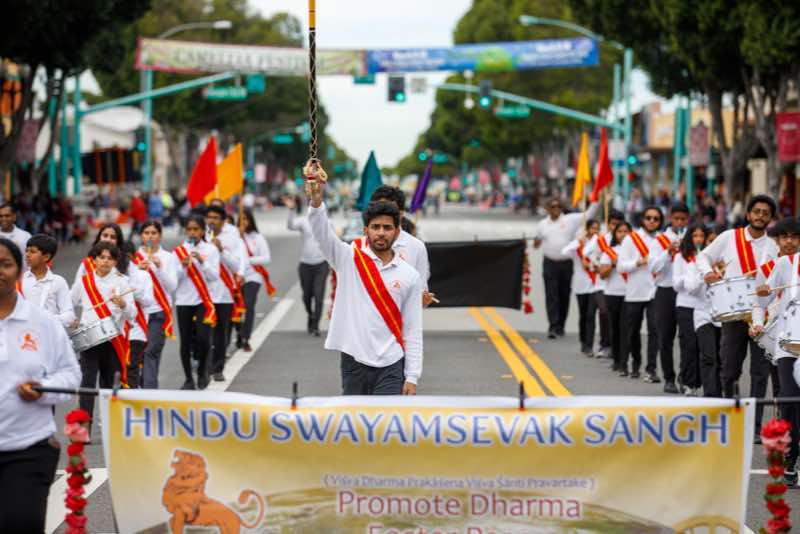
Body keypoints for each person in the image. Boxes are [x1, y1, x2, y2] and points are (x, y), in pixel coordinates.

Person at [306, 174, 423, 395]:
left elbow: (413, 328)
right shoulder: (348, 258)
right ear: (365, 230)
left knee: (386, 417)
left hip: (392, 363)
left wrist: (412, 376)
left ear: (397, 232)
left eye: (387, 228)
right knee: (355, 417)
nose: (381, 233)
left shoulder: (409, 275)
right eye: (375, 227)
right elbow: (322, 235)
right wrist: (316, 201)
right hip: (354, 360)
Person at [0, 237, 81, 533]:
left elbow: (71, 375)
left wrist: (43, 389)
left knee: (20, 524)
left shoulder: (43, 323)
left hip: (28, 449)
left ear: (19, 271)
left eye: (5, 264)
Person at [697, 194, 778, 439]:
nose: (760, 216)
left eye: (765, 213)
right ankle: (730, 420)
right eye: (757, 211)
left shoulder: (774, 246)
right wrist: (707, 272)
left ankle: (754, 428)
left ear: (770, 218)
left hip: (763, 317)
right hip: (733, 315)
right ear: (748, 214)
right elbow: (703, 256)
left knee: (760, 374)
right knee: (730, 370)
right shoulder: (729, 237)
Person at [751, 216, 800, 487]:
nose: (790, 241)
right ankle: (790, 460)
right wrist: (761, 296)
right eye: (785, 237)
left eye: (795, 236)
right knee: (790, 400)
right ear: (778, 241)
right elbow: (763, 298)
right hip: (786, 344)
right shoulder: (782, 264)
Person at [70, 241, 135, 421]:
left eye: (110, 258)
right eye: (102, 257)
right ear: (94, 259)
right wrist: (72, 319)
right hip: (89, 340)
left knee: (109, 385)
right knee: (87, 384)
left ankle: (108, 423)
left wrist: (123, 304)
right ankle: (85, 424)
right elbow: (69, 303)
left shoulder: (122, 281)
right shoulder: (84, 282)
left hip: (113, 341)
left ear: (115, 261)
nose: (105, 261)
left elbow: (133, 314)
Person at [617, 206, 671, 385]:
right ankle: (635, 362)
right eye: (649, 218)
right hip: (635, 292)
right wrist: (639, 262)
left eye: (656, 218)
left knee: (654, 331)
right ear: (642, 219)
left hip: (655, 291)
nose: (652, 221)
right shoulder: (631, 239)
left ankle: (651, 369)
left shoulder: (663, 240)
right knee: (633, 331)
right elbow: (621, 266)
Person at [533, 197, 599, 339]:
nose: (556, 209)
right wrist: (536, 241)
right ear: (547, 209)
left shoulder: (570, 220)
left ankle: (561, 325)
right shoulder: (542, 225)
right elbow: (536, 244)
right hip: (550, 263)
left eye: (558, 206)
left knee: (564, 294)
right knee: (551, 295)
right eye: (553, 206)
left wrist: (595, 200)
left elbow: (588, 215)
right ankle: (553, 325)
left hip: (566, 263)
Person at [174, 215, 219, 390]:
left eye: (196, 229)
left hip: (203, 300)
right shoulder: (179, 251)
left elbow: (214, 277)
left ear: (202, 231)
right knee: (185, 342)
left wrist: (202, 261)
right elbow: (174, 281)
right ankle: (188, 378)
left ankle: (202, 371)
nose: (192, 233)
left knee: (203, 338)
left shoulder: (211, 250)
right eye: (189, 229)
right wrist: (182, 267)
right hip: (184, 301)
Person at [370, 185, 434, 306]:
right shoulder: (359, 246)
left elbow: (421, 290)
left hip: (400, 315)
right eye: (379, 209)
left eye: (389, 210)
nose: (383, 215)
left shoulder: (416, 247)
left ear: (401, 213)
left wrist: (422, 299)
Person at [136, 221, 178, 389]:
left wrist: (159, 268)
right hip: (138, 313)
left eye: (154, 233)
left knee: (151, 352)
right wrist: (138, 271)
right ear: (141, 235)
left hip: (158, 312)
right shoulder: (134, 257)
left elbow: (172, 287)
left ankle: (150, 392)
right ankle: (140, 388)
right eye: (146, 233)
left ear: (159, 235)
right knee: (138, 355)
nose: (150, 236)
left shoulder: (168, 257)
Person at [653, 203, 689, 391]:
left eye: (683, 219)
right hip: (665, 291)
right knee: (665, 337)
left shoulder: (691, 238)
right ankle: (668, 378)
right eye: (676, 219)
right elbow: (653, 267)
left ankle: (684, 377)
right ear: (670, 219)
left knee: (686, 337)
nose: (679, 222)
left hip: (684, 291)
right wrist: (667, 251)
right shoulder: (659, 240)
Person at [206, 204, 243, 381]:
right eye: (209, 218)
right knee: (204, 333)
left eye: (215, 218)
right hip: (204, 293)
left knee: (221, 333)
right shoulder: (201, 235)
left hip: (224, 292)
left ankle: (218, 367)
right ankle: (205, 365)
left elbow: (236, 265)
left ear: (223, 221)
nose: (212, 221)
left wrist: (221, 250)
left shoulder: (231, 237)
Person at [284, 195, 329, 336]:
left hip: (321, 264)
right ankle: (310, 315)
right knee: (306, 297)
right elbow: (290, 226)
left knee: (319, 296)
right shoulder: (304, 221)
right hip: (305, 264)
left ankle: (315, 325)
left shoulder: (327, 223)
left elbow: (334, 244)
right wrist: (291, 210)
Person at [673, 225, 708, 396]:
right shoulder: (680, 257)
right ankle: (688, 381)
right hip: (685, 305)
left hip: (704, 305)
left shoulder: (707, 256)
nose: (698, 239)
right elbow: (676, 284)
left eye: (701, 236)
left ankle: (700, 381)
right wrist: (690, 273)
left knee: (703, 346)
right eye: (695, 235)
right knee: (689, 345)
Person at [561, 219, 600, 357]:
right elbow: (564, 252)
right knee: (583, 315)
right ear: (587, 229)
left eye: (597, 228)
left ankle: (589, 345)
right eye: (593, 228)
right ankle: (583, 341)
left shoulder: (599, 243)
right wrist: (578, 242)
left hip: (594, 284)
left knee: (590, 315)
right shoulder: (579, 244)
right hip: (580, 285)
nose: (595, 231)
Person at [598, 221, 631, 375]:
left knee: (626, 329)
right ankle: (617, 359)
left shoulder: (634, 251)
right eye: (620, 232)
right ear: (615, 234)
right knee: (615, 328)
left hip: (630, 294)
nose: (623, 235)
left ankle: (624, 362)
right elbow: (602, 274)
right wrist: (612, 264)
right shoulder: (609, 251)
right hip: (612, 293)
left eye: (626, 231)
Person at [21, 234, 75, 328]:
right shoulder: (19, 280)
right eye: (26, 251)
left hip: (49, 333)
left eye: (32, 252)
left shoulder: (58, 281)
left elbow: (69, 315)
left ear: (46, 257)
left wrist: (47, 319)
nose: (27, 255)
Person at [121, 241, 154, 389]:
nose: (126, 261)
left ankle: (132, 399)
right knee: (118, 370)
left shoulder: (143, 275)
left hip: (137, 330)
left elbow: (148, 301)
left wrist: (132, 289)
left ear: (133, 257)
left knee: (132, 367)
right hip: (118, 330)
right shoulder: (113, 276)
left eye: (128, 257)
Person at [238, 208, 272, 351]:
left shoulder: (257, 238)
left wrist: (248, 260)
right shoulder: (234, 237)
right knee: (236, 309)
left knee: (249, 306)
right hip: (236, 278)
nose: (243, 222)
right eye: (241, 219)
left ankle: (246, 338)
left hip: (253, 276)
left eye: (246, 219)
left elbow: (267, 258)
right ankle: (239, 332)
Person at [0, 203, 32, 270]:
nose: (3, 219)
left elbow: (31, 260)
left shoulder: (25, 236)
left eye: (7, 216)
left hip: (21, 276)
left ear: (14, 217)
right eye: (1, 216)